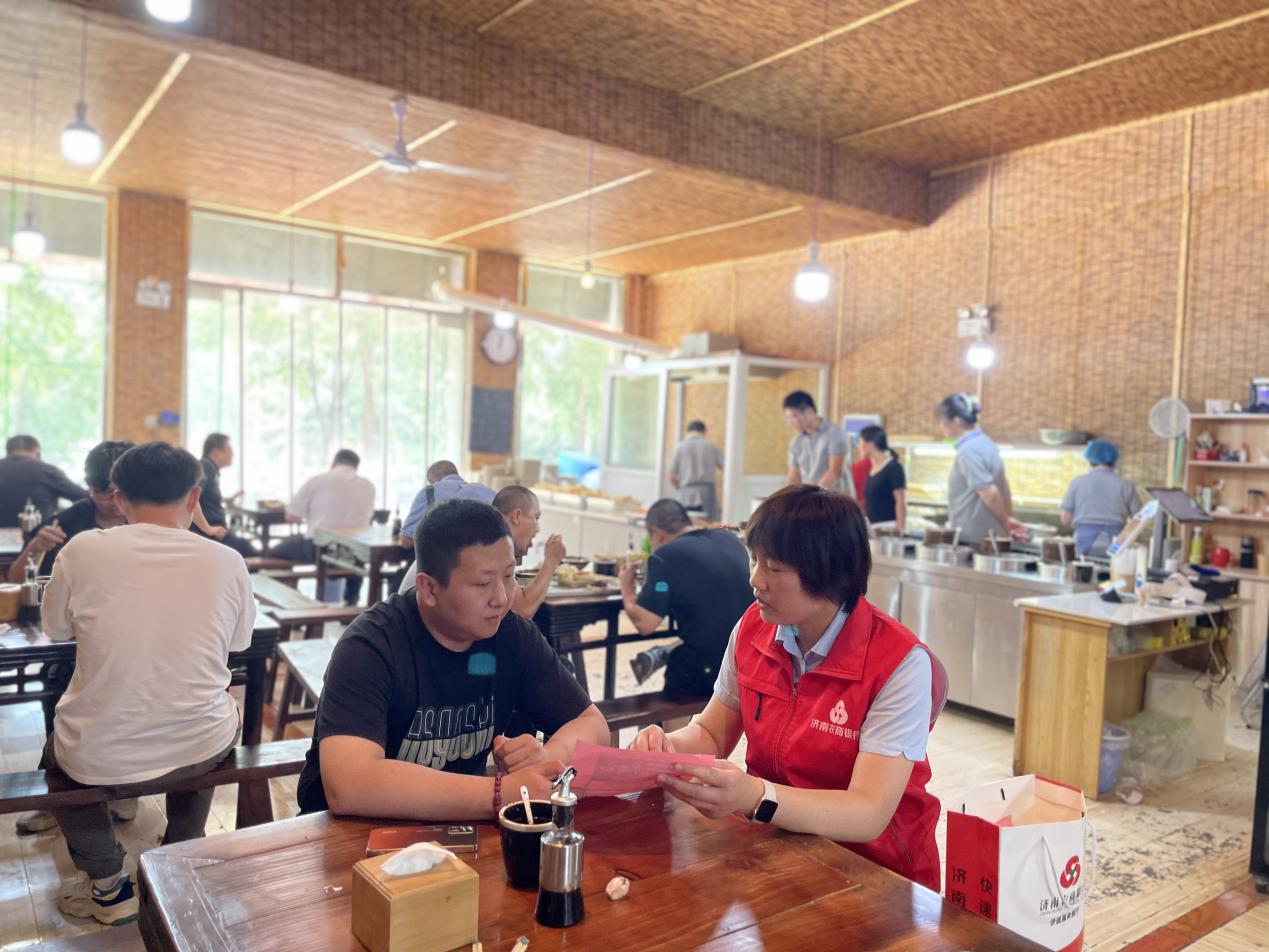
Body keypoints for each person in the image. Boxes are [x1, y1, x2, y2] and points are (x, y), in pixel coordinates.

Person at [630, 486, 944, 890]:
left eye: (774, 568)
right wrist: (665, 748)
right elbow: (711, 731)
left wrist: (755, 797)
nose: (754, 580)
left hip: (878, 875)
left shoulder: (899, 663)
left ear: (828, 572)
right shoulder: (753, 628)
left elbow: (868, 811)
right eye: (754, 559)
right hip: (776, 850)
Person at [41, 442, 255, 926]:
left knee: (57, 759)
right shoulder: (227, 560)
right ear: (194, 497)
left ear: (118, 498)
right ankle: (179, 857)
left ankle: (107, 886)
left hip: (100, 754)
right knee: (213, 720)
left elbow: (55, 629)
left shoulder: (82, 550)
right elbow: (240, 642)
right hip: (199, 743)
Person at [297, 499, 610, 820]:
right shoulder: (371, 645)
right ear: (429, 589)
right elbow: (350, 785)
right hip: (349, 832)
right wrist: (498, 793)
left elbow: (593, 725)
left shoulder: (512, 635)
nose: (502, 598)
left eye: (509, 576)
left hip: (456, 825)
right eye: (482, 583)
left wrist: (546, 758)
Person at [10, 440, 134, 839]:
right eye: (103, 493)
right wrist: (34, 547)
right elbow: (15, 579)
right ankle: (60, 795)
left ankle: (124, 786)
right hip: (78, 641)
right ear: (89, 487)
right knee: (60, 686)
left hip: (137, 640)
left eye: (121, 493)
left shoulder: (150, 519)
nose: (114, 503)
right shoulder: (69, 521)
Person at [619, 499, 752, 698]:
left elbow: (645, 623)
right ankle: (664, 653)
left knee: (681, 666)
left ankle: (664, 659)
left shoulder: (664, 556)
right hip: (747, 661)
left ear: (657, 533)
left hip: (706, 671)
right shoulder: (729, 539)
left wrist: (626, 587)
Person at [267, 449, 376, 604]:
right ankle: (352, 602)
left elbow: (291, 516)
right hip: (354, 553)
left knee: (272, 553)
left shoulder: (319, 480)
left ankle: (293, 600)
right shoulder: (368, 486)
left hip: (317, 549)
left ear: (334, 462)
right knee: (355, 557)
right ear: (356, 466)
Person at [934, 393, 1027, 545]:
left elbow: (990, 493)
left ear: (956, 422)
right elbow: (1004, 487)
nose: (940, 427)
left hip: (974, 538)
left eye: (942, 422)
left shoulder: (968, 450)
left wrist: (1006, 522)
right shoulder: (986, 443)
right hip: (988, 536)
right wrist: (1008, 517)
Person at [491, 485, 566, 618]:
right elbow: (523, 611)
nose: (537, 528)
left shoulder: (492, 539)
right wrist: (551, 561)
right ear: (517, 516)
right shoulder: (494, 547)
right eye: (536, 517)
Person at [1061, 440, 1141, 557]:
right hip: (1116, 541)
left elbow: (1066, 519)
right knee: (1114, 568)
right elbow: (1139, 519)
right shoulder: (1125, 484)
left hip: (1084, 539)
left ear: (1089, 459)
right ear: (1114, 459)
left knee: (1083, 567)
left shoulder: (1077, 482)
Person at [0, 435, 87, 528]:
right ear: (38, 454)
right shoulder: (48, 471)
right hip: (38, 535)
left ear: (8, 453)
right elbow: (85, 497)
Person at [190, 433, 256, 557]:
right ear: (216, 453)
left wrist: (228, 499)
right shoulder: (206, 466)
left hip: (215, 533)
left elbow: (203, 497)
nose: (232, 454)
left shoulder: (209, 468)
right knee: (250, 550)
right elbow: (191, 496)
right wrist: (208, 528)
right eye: (229, 450)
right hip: (210, 536)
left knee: (247, 548)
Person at [400, 460, 495, 544]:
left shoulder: (429, 492)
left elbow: (406, 541)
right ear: (456, 474)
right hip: (486, 557)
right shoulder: (485, 491)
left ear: (431, 481)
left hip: (440, 557)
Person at [782, 391, 852, 498]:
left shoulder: (835, 434)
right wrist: (787, 498)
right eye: (788, 417)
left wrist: (812, 497)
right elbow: (793, 476)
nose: (791, 421)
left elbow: (835, 472)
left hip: (835, 500)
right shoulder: (796, 442)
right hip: (810, 499)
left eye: (794, 416)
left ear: (809, 412)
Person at [668, 421, 724, 522]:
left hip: (686, 491)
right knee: (707, 523)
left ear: (688, 431)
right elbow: (725, 465)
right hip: (707, 492)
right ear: (703, 431)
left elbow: (671, 476)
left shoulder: (679, 447)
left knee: (684, 522)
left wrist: (679, 488)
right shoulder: (711, 446)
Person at [859, 425, 907, 532]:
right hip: (873, 527)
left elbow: (900, 501)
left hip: (889, 529)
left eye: (860, 442)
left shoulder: (894, 467)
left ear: (870, 444)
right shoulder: (873, 468)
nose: (859, 446)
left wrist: (900, 530)